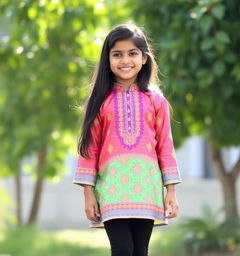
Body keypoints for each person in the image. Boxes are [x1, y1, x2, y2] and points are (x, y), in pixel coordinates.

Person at [73, 23, 182, 256]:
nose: (125, 60)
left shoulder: (156, 100)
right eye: (117, 54)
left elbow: (165, 146)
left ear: (144, 58)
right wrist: (88, 192)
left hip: (147, 186)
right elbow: (90, 148)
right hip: (111, 186)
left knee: (140, 250)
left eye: (132, 53)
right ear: (108, 59)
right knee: (122, 248)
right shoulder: (100, 100)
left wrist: (170, 191)